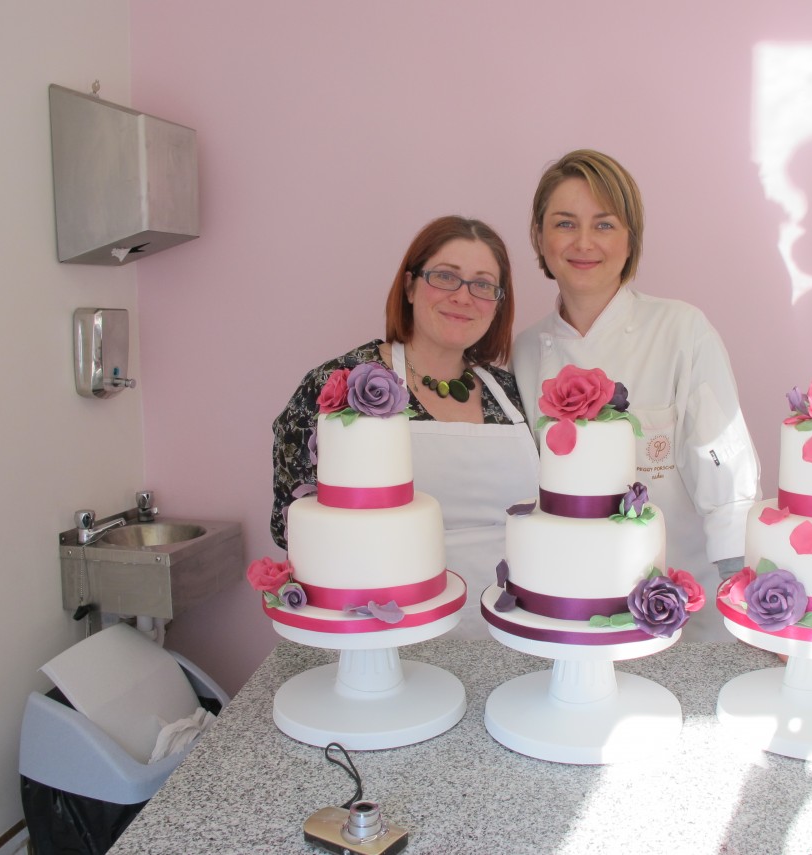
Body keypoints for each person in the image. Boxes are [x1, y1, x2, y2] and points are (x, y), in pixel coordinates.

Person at [513, 149, 761, 641]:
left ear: (631, 241)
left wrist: (745, 589)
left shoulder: (681, 330)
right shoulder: (522, 352)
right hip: (565, 603)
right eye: (564, 224)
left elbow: (724, 470)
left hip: (679, 605)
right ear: (540, 239)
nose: (584, 242)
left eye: (604, 225)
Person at [272, 216, 539, 638]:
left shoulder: (512, 394)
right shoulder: (338, 385)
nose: (463, 297)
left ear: (498, 304)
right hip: (381, 634)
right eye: (445, 276)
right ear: (411, 286)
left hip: (510, 629)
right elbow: (292, 526)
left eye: (483, 284)